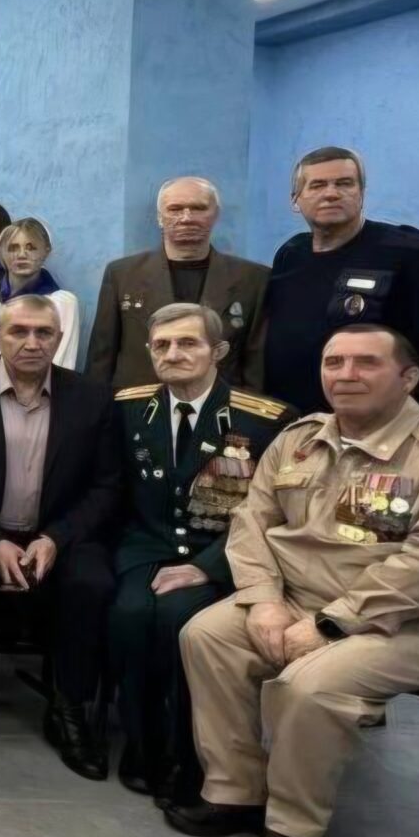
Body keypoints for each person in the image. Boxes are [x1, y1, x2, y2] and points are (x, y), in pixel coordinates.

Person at [170, 324, 419, 837]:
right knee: (207, 634)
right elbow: (251, 523)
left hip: (415, 626)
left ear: (408, 377)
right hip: (296, 602)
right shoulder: (298, 440)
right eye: (334, 362)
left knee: (310, 685)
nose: (346, 375)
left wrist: (331, 624)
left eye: (366, 363)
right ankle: (235, 791)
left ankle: (293, 827)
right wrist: (263, 601)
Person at [0, 295, 123, 777]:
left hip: (60, 532)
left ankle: (69, 706)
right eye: (19, 331)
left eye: (43, 333)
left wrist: (56, 537)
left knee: (92, 580)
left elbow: (108, 484)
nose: (32, 343)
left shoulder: (94, 398)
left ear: (59, 338)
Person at [108, 303, 292, 804]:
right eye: (162, 345)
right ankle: (141, 747)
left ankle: (186, 755)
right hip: (145, 547)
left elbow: (273, 514)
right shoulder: (128, 408)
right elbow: (114, 492)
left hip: (221, 554)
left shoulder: (265, 420)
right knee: (128, 614)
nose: (173, 354)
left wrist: (205, 568)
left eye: (188, 343)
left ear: (219, 351)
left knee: (179, 621)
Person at [260, 148, 419, 420]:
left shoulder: (412, 252)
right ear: (295, 200)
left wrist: (418, 425)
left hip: (376, 426)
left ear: (361, 192)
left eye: (344, 183)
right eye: (317, 185)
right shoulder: (290, 253)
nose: (331, 193)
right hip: (289, 421)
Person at [86, 176, 270, 392]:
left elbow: (256, 364)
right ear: (159, 217)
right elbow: (101, 359)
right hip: (137, 406)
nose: (186, 218)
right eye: (175, 209)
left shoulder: (253, 279)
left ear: (216, 215)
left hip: (220, 407)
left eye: (198, 208)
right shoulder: (122, 275)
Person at [0, 217, 81, 371]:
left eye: (31, 248)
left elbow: (62, 365)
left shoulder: (63, 303)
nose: (22, 255)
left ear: (46, 251)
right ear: (0, 252)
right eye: (13, 248)